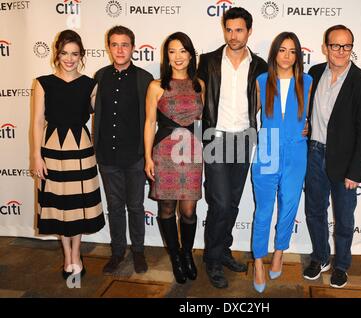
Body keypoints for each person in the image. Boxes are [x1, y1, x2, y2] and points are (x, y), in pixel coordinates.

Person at [302, 25, 361, 288]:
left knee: (344, 218)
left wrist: (355, 172)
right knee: (314, 211)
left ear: (352, 48)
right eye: (335, 45)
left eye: (346, 46)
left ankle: (342, 264)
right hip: (313, 154)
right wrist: (306, 126)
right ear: (325, 47)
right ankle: (320, 257)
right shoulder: (313, 74)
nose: (341, 51)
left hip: (344, 162)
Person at [197, 7, 268, 289]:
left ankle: (223, 249)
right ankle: (212, 259)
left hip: (243, 139)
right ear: (223, 29)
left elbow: (270, 101)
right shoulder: (208, 61)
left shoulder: (261, 66)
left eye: (239, 30)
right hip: (215, 138)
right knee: (221, 202)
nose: (233, 35)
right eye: (229, 29)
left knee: (234, 202)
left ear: (249, 31)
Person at [32, 29, 105, 281]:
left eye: (74, 53)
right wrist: (35, 156)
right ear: (57, 54)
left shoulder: (90, 85)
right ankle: (67, 256)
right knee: (59, 205)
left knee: (77, 205)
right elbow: (37, 121)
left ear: (81, 55)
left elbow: (106, 117)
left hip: (81, 150)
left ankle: (77, 251)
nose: (69, 58)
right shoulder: (43, 83)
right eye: (64, 53)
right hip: (51, 151)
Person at [251, 32, 312, 293]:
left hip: (296, 152)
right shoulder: (262, 80)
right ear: (274, 52)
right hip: (267, 150)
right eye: (282, 50)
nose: (287, 56)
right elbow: (251, 116)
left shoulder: (307, 81)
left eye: (292, 51)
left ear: (297, 56)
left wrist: (307, 125)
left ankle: (279, 251)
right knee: (263, 210)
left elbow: (309, 115)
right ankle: (257, 261)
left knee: (288, 207)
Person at [144, 32, 204, 284]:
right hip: (165, 152)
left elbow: (200, 122)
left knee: (188, 210)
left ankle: (187, 254)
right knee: (167, 207)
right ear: (166, 56)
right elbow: (149, 123)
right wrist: (148, 158)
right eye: (172, 51)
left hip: (191, 152)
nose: (177, 57)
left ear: (190, 54)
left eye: (182, 51)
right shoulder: (156, 86)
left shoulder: (200, 83)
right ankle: (176, 257)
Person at [93, 26, 154, 275]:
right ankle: (117, 252)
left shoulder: (145, 78)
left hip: (136, 156)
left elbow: (152, 119)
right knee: (115, 207)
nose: (120, 49)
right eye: (115, 44)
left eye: (125, 44)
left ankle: (138, 251)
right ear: (108, 47)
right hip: (107, 155)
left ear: (133, 47)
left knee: (136, 206)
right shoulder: (99, 76)